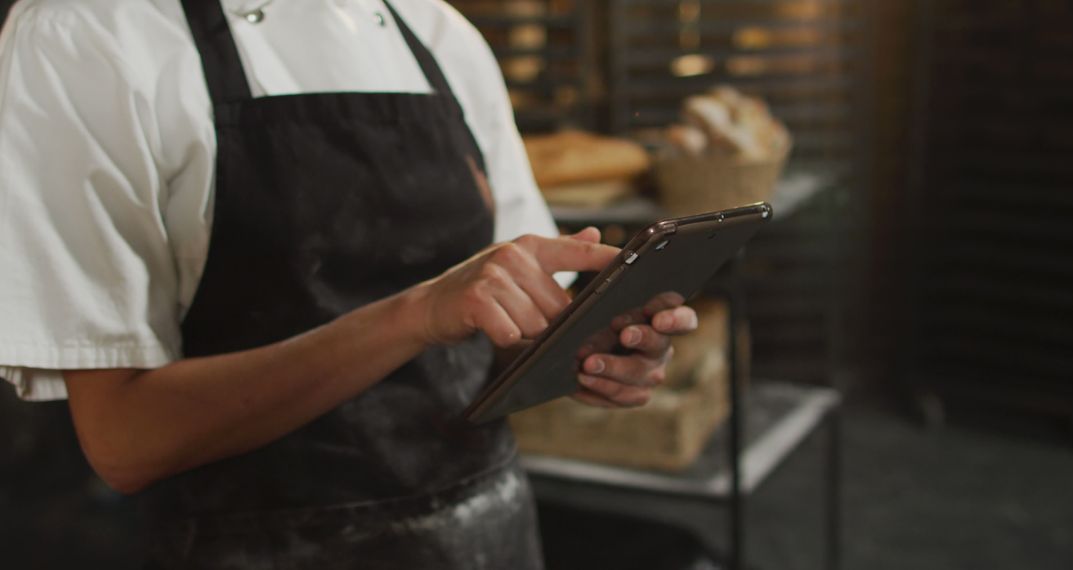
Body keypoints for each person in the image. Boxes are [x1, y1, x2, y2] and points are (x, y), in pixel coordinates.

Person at [0, 0, 698, 567]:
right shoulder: (87, 36)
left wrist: (586, 351)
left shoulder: (437, 33)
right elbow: (126, 441)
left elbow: (499, 330)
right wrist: (418, 312)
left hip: (487, 536)